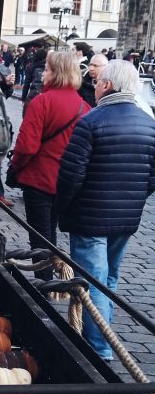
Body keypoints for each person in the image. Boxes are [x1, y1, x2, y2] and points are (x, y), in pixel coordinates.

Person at [56, 60, 155, 360]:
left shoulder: (92, 121)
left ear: (108, 86)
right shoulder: (149, 124)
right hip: (125, 220)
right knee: (108, 279)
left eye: (98, 81)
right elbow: (151, 177)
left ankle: (99, 350)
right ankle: (102, 336)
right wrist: (133, 199)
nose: (95, 85)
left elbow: (71, 175)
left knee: (93, 283)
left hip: (90, 218)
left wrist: (62, 208)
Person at [9, 51, 89, 279]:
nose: (43, 73)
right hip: (66, 184)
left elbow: (26, 147)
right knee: (50, 233)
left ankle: (44, 288)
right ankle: (51, 283)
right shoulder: (85, 108)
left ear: (56, 73)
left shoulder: (41, 102)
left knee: (40, 237)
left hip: (40, 179)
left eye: (46, 69)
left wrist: (17, 167)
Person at [21, 42, 47, 114]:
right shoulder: (48, 67)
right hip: (45, 95)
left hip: (33, 94)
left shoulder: (32, 67)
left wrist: (23, 99)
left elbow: (26, 84)